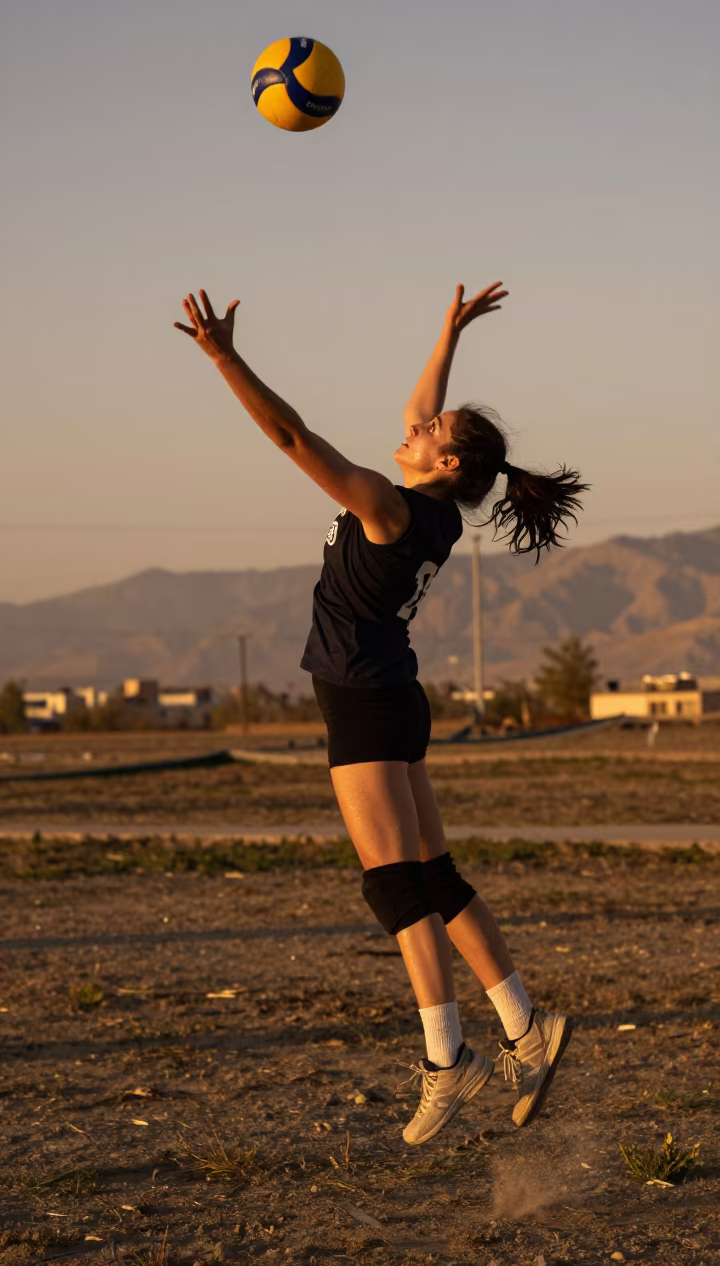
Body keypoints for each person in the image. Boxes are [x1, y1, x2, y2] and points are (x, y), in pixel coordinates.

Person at [175, 282, 586, 1146]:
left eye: (431, 434)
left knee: (394, 886)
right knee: (433, 877)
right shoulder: (435, 511)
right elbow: (420, 406)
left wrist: (224, 360)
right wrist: (447, 334)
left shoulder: (390, 508)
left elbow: (291, 437)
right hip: (394, 699)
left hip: (365, 705)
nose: (413, 426)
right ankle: (526, 1026)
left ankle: (450, 1059)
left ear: (445, 466)